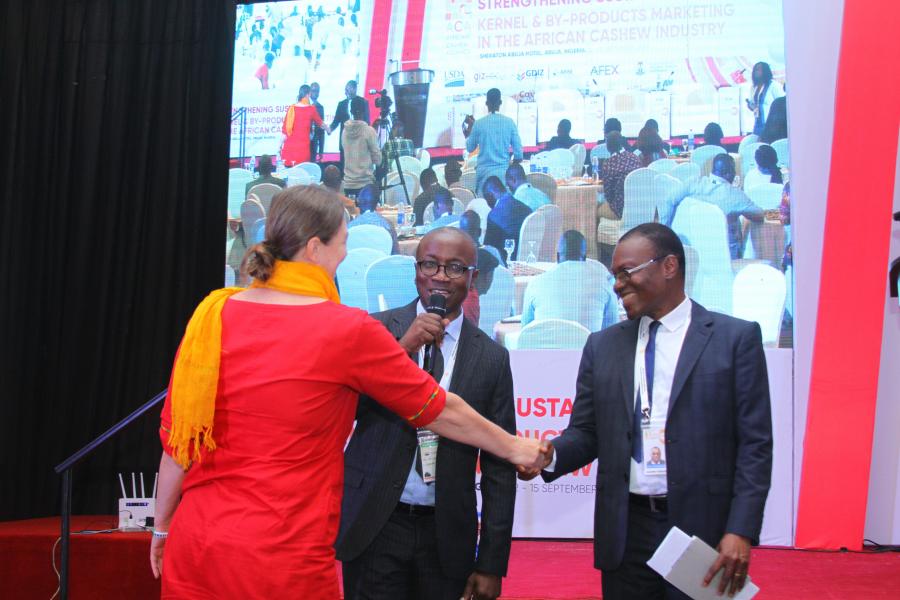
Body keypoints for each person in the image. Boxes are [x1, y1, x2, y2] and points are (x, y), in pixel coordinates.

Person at [150, 187, 547, 598]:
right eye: (343, 243)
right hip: (282, 553)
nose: (344, 256)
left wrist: (162, 527)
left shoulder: (212, 314)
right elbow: (437, 408)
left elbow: (177, 446)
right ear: (315, 248)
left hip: (197, 544)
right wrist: (515, 447)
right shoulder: (347, 329)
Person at [521, 223, 773, 600]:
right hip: (627, 531)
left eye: (626, 272)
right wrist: (550, 455)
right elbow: (587, 432)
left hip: (702, 530)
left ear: (669, 266)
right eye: (614, 275)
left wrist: (740, 530)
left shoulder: (734, 339)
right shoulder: (603, 346)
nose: (617, 285)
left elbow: (755, 445)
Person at [337, 227, 517, 600]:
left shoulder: (492, 358)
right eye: (430, 264)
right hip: (376, 523)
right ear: (416, 270)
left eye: (455, 268)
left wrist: (491, 563)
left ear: (473, 278)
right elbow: (347, 409)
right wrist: (402, 348)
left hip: (446, 533)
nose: (440, 276)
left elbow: (500, 468)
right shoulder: (376, 329)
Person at [660, 154, 764, 258]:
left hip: (690, 251)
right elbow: (759, 215)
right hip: (724, 256)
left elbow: (668, 201)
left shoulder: (692, 183)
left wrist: (666, 232)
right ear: (729, 173)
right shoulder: (735, 195)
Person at [521, 230, 618, 332]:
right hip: (589, 342)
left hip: (544, 342)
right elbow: (612, 329)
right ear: (585, 257)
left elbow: (525, 328)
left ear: (558, 257)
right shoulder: (604, 283)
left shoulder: (536, 282)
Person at [462, 88, 523, 195]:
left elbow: (470, 148)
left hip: (483, 176)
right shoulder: (509, 122)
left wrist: (468, 134)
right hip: (504, 176)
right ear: (500, 103)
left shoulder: (478, 124)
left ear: (486, 103)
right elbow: (519, 155)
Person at [482, 176, 532, 263]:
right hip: (527, 260)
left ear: (490, 194)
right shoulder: (527, 209)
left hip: (506, 262)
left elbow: (489, 248)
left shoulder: (494, 215)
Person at [341, 97, 381, 196]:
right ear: (365, 111)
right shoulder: (369, 131)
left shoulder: (344, 131)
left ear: (351, 111)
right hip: (366, 185)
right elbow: (378, 160)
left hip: (348, 184)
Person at [280, 84, 329, 166]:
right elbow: (321, 123)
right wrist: (328, 130)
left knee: (289, 173)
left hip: (289, 151)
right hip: (302, 152)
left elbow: (284, 132)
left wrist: (279, 148)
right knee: (303, 172)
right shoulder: (311, 109)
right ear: (308, 94)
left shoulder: (291, 108)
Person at [599, 132, 643, 220]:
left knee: (596, 210)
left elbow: (608, 195)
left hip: (620, 210)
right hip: (639, 206)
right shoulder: (635, 158)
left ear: (607, 146)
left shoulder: (609, 163)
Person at [349, 183, 399, 254]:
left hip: (355, 261)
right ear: (377, 204)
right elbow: (395, 255)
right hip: (381, 261)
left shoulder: (350, 227)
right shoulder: (387, 225)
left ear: (358, 202)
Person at [330, 80, 370, 166]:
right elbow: (336, 121)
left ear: (354, 89)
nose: (346, 92)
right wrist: (329, 129)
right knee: (344, 166)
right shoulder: (341, 104)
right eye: (345, 89)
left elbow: (367, 122)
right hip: (345, 142)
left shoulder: (363, 102)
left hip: (358, 141)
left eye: (348, 89)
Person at [746, 62, 784, 135]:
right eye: (755, 69)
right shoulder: (753, 87)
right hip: (757, 123)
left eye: (759, 69)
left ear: (765, 71)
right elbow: (752, 105)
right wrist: (750, 106)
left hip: (772, 124)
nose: (756, 71)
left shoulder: (774, 85)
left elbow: (782, 102)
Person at [309, 82, 325, 162]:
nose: (315, 93)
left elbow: (321, 129)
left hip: (314, 144)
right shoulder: (303, 105)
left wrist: (321, 150)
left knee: (312, 166)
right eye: (313, 90)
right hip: (302, 143)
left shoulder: (320, 107)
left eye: (317, 91)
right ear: (309, 91)